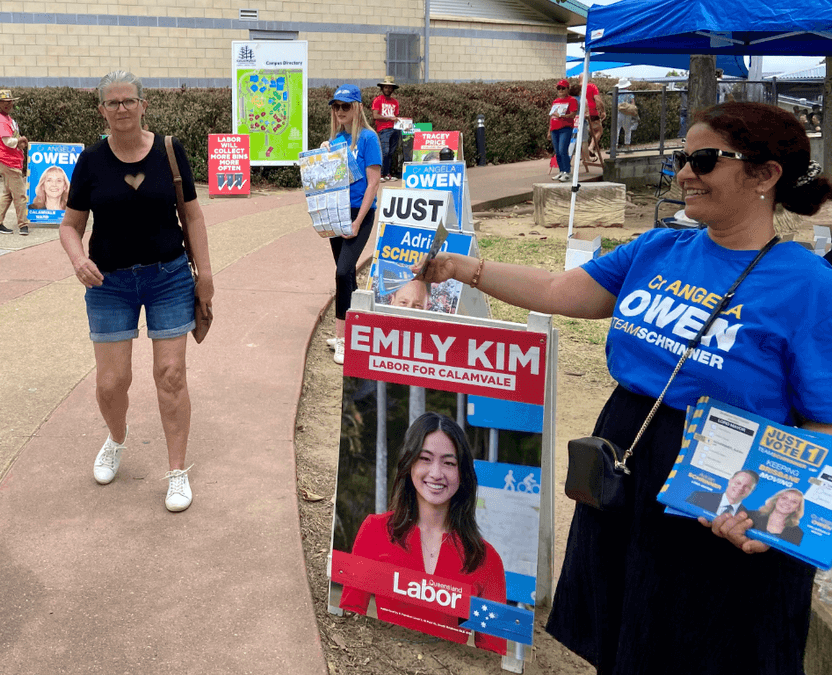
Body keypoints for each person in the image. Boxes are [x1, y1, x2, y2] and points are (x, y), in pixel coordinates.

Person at [414, 101, 832, 675]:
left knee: (706, 645)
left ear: (765, 175)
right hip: (627, 459)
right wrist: (462, 268)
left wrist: (774, 513)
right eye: (682, 158)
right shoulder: (659, 248)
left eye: (704, 160)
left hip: (722, 493)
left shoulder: (808, 283)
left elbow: (824, 418)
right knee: (624, 630)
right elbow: (563, 290)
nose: (685, 173)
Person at [60, 70, 213, 513]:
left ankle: (177, 471)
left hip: (168, 276)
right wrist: (77, 259)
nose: (122, 109)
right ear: (102, 110)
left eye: (129, 101)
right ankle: (117, 437)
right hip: (109, 283)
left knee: (171, 375)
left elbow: (194, 217)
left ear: (144, 105)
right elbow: (70, 226)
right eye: (113, 103)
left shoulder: (169, 150)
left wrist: (204, 274)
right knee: (112, 382)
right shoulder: (91, 161)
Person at [338, 413, 507, 654]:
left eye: (449, 463)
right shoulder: (375, 531)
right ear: (410, 464)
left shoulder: (485, 559)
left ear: (463, 473)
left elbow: (492, 656)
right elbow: (349, 620)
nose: (436, 473)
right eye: (425, 459)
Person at [323, 85, 381, 365]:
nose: (340, 111)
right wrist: (322, 157)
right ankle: (354, 331)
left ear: (358, 107)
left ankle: (344, 340)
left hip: (360, 214)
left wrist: (358, 222)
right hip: (337, 214)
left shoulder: (369, 139)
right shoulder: (336, 141)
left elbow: (373, 184)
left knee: (343, 271)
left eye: (346, 106)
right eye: (336, 106)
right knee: (345, 277)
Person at [0, 89, 30, 236]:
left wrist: (19, 142)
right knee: (19, 195)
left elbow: (11, 140)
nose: (8, 104)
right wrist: (21, 140)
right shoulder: (1, 120)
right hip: (8, 161)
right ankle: (23, 225)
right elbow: (8, 141)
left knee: (8, 194)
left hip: (6, 160)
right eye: (4, 102)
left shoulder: (5, 119)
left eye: (10, 101)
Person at [687, 469, 758, 517]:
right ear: (730, 481)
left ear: (752, 491)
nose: (740, 488)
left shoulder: (748, 518)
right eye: (738, 483)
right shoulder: (698, 497)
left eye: (747, 487)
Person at [370, 75, 400, 181]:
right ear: (382, 88)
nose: (388, 89)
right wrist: (390, 118)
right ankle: (380, 175)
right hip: (383, 130)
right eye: (386, 87)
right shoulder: (378, 100)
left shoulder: (395, 102)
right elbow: (375, 115)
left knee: (391, 153)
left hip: (395, 130)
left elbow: (396, 117)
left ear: (393, 89)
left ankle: (387, 174)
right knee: (384, 151)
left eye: (390, 87)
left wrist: (403, 125)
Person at [548, 79, 578, 182]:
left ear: (567, 89)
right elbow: (552, 116)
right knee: (557, 151)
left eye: (563, 88)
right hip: (554, 128)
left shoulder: (572, 100)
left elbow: (573, 114)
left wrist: (561, 115)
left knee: (562, 150)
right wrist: (549, 130)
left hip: (565, 128)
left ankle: (567, 172)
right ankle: (561, 171)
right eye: (559, 88)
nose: (560, 90)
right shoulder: (555, 101)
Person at [615, 79, 638, 146]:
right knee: (627, 130)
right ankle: (627, 146)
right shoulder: (630, 93)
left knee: (616, 130)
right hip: (627, 112)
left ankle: (615, 147)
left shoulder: (616, 92)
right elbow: (633, 103)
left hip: (618, 112)